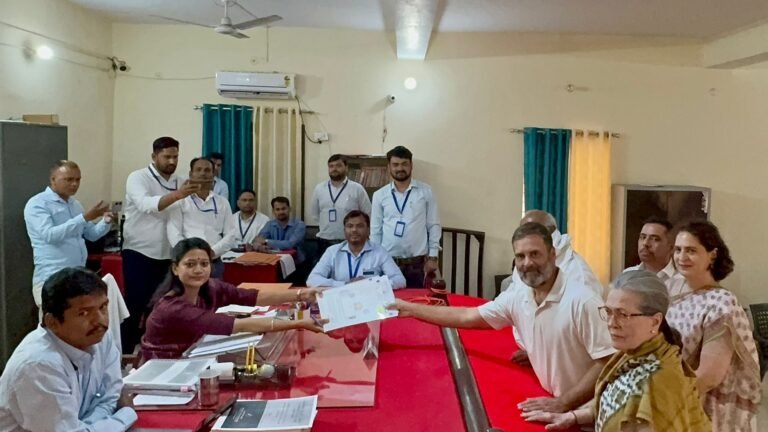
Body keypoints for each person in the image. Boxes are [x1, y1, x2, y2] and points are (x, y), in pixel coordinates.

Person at [388, 222, 615, 413]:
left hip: (589, 415)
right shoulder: (519, 296)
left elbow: (608, 360)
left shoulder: (583, 301)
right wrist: (410, 309)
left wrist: (563, 403)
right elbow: (467, 316)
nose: (527, 263)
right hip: (556, 407)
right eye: (520, 256)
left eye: (535, 254)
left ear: (553, 255)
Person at [522, 270, 711, 432]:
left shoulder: (660, 381)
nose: (612, 323)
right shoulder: (631, 355)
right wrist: (573, 417)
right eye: (609, 312)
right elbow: (618, 405)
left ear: (655, 321)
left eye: (623, 314)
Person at [141, 238, 325, 360]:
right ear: (175, 268)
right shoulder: (172, 308)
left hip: (194, 357)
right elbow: (239, 325)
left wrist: (301, 294)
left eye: (204, 264)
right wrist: (299, 323)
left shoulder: (211, 287)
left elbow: (252, 296)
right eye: (190, 264)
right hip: (165, 368)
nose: (198, 270)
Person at [0, 268, 137, 431]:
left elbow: (110, 397)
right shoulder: (38, 366)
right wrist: (126, 414)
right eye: (84, 313)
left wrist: (88, 426)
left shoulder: (100, 337)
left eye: (103, 307)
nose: (100, 320)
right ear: (52, 322)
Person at [666, 220, 761, 431]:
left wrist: (668, 403)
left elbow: (709, 377)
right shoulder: (676, 296)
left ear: (712, 254)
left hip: (704, 408)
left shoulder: (721, 303)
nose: (682, 257)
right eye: (678, 250)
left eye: (691, 251)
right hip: (676, 395)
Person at [122, 136, 198, 353]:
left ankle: (157, 348)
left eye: (175, 156)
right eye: (167, 156)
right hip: (140, 249)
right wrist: (178, 194)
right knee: (136, 304)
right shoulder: (138, 177)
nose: (172, 161)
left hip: (169, 253)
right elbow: (147, 205)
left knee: (163, 305)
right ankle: (125, 352)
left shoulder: (179, 179)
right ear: (154, 156)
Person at [502, 210, 603, 366]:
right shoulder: (527, 261)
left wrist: (541, 352)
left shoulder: (578, 275)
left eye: (532, 231)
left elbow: (589, 341)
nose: (527, 261)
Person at [24, 160, 113, 308]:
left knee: (76, 325)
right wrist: (84, 218)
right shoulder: (38, 203)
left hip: (77, 275)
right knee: (54, 326)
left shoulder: (75, 204)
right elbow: (49, 235)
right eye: (69, 179)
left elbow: (91, 234)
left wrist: (106, 222)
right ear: (53, 179)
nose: (74, 184)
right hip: (52, 276)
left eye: (78, 180)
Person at [371, 146, 441, 287]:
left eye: (404, 164)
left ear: (411, 165)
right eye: (395, 164)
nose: (400, 168)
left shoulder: (426, 192)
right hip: (388, 263)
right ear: (389, 167)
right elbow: (375, 230)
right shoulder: (380, 195)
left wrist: (433, 256)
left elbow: (433, 224)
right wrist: (375, 260)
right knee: (389, 305)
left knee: (417, 305)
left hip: (417, 263)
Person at [167, 157, 236, 279]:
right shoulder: (180, 201)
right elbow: (174, 232)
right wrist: (190, 253)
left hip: (213, 262)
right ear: (191, 174)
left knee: (214, 297)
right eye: (198, 170)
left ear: (213, 174)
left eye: (207, 170)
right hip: (187, 262)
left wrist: (212, 252)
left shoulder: (222, 202)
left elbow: (230, 234)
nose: (203, 173)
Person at [307, 210, 406, 289]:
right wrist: (345, 284)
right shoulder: (332, 251)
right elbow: (312, 280)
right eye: (350, 226)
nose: (354, 230)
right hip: (340, 299)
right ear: (344, 230)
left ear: (368, 230)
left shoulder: (380, 252)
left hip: (371, 301)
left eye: (359, 226)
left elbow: (400, 280)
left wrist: (371, 285)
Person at [310, 154, 371, 254]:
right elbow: (315, 214)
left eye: (338, 165)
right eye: (331, 166)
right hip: (324, 241)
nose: (334, 169)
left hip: (350, 241)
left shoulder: (357, 189)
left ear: (346, 167)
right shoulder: (319, 189)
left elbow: (368, 213)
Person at [623, 217, 678, 288]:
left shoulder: (682, 280)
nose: (645, 243)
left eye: (655, 239)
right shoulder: (627, 275)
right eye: (643, 237)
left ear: (671, 247)